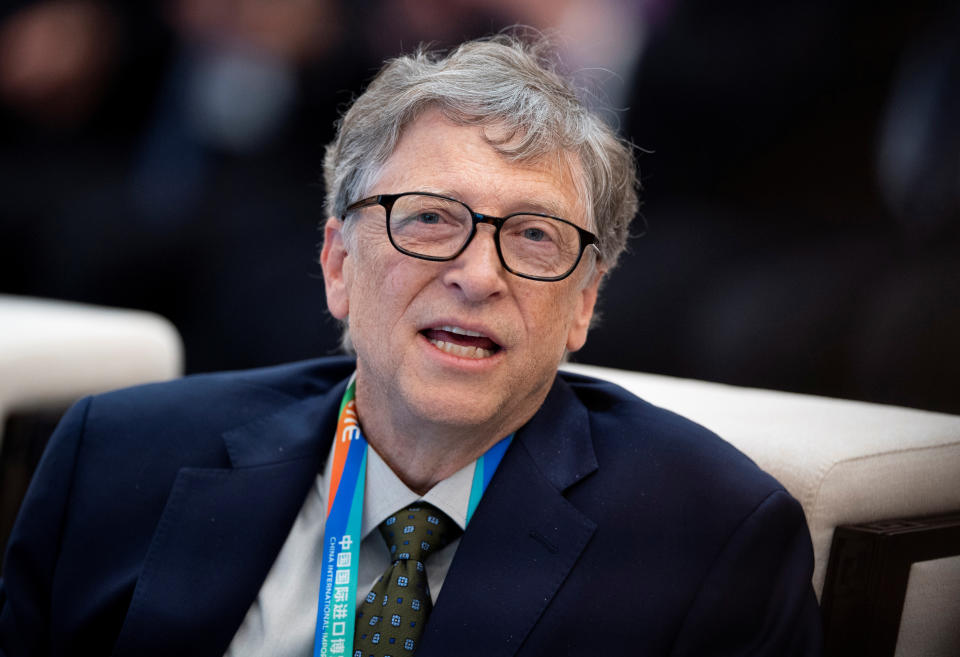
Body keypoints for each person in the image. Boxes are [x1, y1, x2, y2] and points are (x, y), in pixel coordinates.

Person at [0, 34, 822, 656]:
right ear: (336, 265)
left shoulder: (708, 541)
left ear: (584, 304)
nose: (478, 274)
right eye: (430, 217)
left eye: (534, 236)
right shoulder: (114, 456)